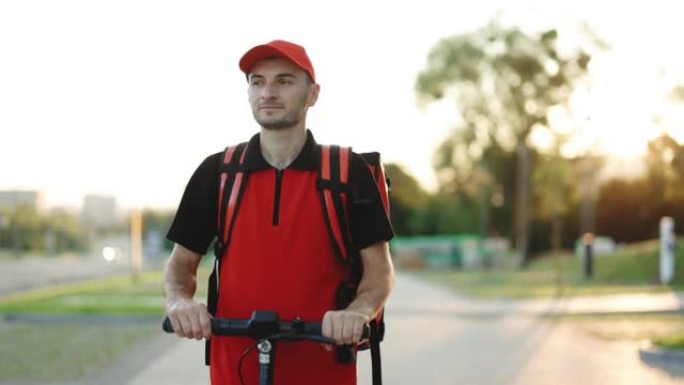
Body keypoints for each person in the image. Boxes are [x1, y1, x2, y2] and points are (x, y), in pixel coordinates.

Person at [163, 39, 395, 385]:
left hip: (323, 366)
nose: (268, 92)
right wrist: (180, 303)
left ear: (313, 93)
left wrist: (357, 311)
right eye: (258, 81)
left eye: (284, 81)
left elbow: (380, 273)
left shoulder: (347, 173)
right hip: (236, 367)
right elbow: (180, 267)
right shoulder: (220, 172)